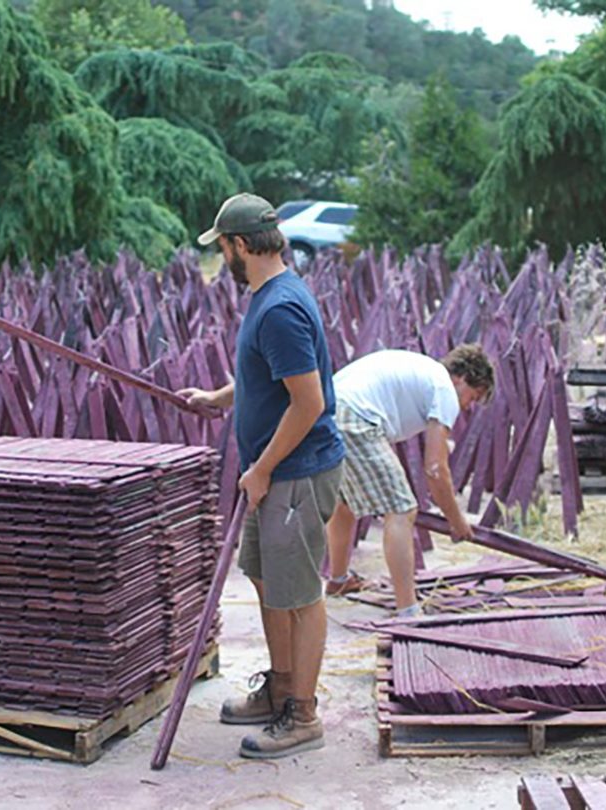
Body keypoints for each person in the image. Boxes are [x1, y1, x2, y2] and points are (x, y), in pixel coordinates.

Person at [179, 193, 344, 760]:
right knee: (269, 582)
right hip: (274, 475)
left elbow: (308, 402)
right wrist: (220, 398)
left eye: (222, 245)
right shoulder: (270, 296)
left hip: (294, 473)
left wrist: (262, 468)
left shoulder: (278, 309)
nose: (221, 255)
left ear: (241, 245)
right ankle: (280, 688)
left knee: (299, 595)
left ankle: (302, 715)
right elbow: (271, 380)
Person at [325, 345, 494, 616]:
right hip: (356, 418)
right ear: (461, 378)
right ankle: (408, 610)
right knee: (402, 509)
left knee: (344, 503)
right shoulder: (444, 388)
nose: (466, 407)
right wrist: (457, 521)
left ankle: (339, 580)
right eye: (472, 398)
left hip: (328, 411)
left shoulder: (425, 374)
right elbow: (436, 469)